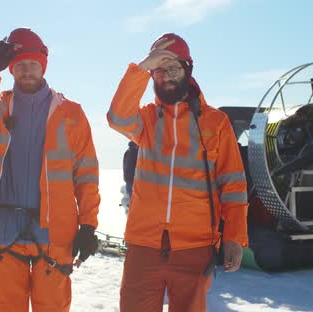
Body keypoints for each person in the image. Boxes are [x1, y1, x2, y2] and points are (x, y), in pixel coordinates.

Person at [0, 28, 100, 312]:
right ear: (10, 69)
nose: (27, 71)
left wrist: (88, 224)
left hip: (55, 231)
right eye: (19, 65)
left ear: (43, 66)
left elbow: (86, 173)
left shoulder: (71, 113)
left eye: (33, 64)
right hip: (3, 228)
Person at [107, 33, 248, 311]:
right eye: (159, 70)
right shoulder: (146, 119)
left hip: (194, 248)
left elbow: (233, 185)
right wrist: (143, 66)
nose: (167, 77)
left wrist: (234, 237)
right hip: (143, 245)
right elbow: (117, 117)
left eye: (173, 68)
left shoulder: (216, 122)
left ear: (188, 70)